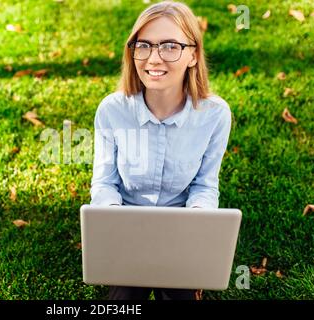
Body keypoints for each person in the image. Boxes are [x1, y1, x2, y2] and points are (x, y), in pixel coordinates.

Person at [90, 1, 232, 300]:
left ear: (193, 54)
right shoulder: (112, 110)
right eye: (144, 46)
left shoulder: (215, 115)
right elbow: (105, 182)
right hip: (125, 230)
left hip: (182, 232)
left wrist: (198, 222)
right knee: (124, 300)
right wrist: (114, 220)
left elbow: (204, 184)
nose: (154, 58)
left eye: (170, 46)